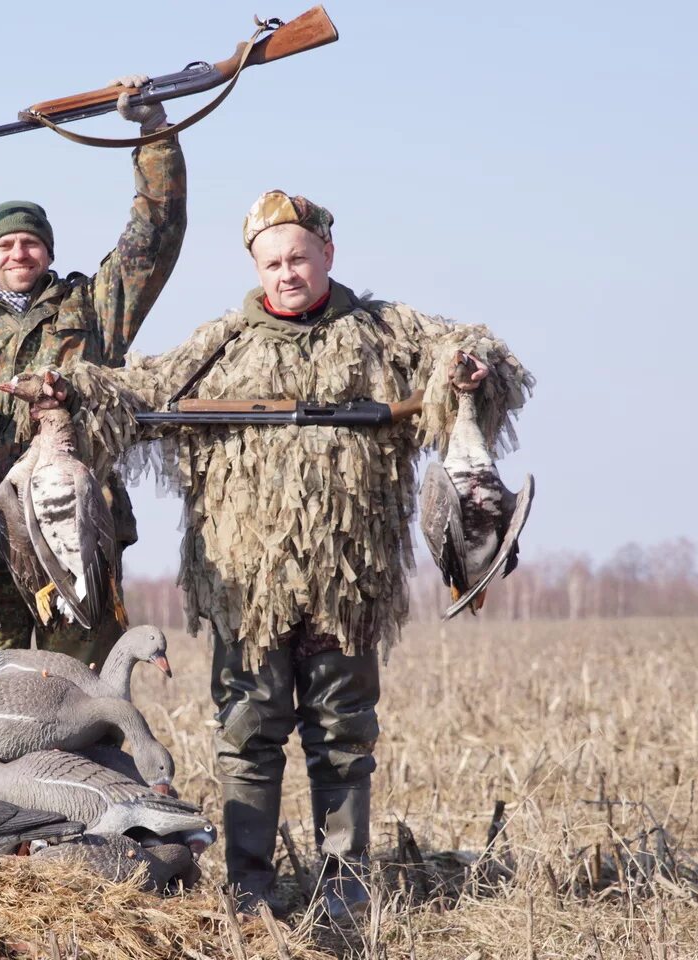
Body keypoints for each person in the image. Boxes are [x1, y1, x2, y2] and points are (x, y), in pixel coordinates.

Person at [48, 191, 534, 920]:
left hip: (350, 587)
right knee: (247, 737)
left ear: (327, 255)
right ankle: (248, 884)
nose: (286, 273)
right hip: (245, 592)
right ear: (254, 265)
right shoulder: (218, 345)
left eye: (299, 258)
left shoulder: (384, 333)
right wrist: (70, 390)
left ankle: (344, 883)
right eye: (272, 262)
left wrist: (469, 369)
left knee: (344, 739)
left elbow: (478, 356)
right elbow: (134, 393)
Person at [0, 77, 187, 669]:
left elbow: (154, 235)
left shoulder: (94, 309)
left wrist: (155, 133)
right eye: (5, 245)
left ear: (48, 252)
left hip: (77, 531)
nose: (18, 253)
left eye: (30, 242)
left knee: (83, 693)